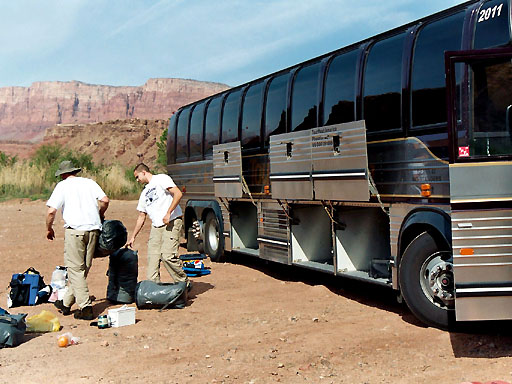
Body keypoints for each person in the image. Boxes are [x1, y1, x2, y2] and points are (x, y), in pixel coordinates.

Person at [46, 160, 109, 320]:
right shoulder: (89, 182)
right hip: (93, 229)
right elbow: (105, 200)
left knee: (75, 270)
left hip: (75, 231)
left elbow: (51, 211)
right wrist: (100, 214)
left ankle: (85, 307)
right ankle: (65, 303)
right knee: (83, 269)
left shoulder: (62, 186)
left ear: (63, 174)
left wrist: (49, 228)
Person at [127, 163, 188, 286]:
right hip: (156, 227)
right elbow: (141, 216)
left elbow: (178, 193)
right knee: (152, 259)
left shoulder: (161, 179)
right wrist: (133, 236)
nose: (137, 180)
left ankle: (183, 283)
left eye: (137, 177)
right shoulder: (144, 193)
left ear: (143, 172)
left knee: (168, 256)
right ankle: (153, 289)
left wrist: (168, 213)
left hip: (171, 222)